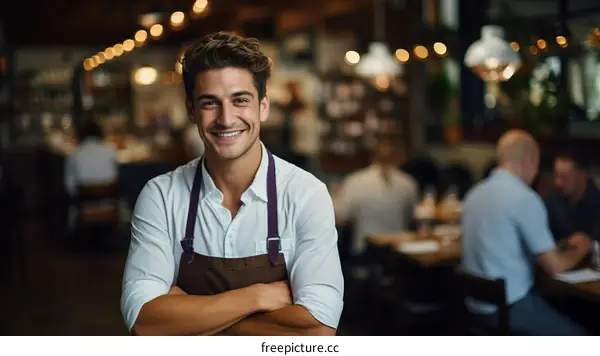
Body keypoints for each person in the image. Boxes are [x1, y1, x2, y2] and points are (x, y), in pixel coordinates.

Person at [120, 32, 344, 336]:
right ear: (191, 111)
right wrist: (258, 296)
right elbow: (145, 323)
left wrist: (198, 321)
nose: (226, 119)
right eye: (210, 103)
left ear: (263, 106)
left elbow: (317, 332)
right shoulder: (161, 196)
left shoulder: (306, 195)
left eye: (240, 100)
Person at [461, 130, 592, 335]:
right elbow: (555, 267)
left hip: (474, 307)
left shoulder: (473, 195)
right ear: (530, 160)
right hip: (510, 310)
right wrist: (584, 246)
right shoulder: (524, 198)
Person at [333, 141, 418, 266]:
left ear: (372, 157)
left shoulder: (355, 181)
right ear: (398, 158)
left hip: (366, 254)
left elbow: (341, 218)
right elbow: (411, 217)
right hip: (400, 253)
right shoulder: (408, 183)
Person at [545, 152, 600, 242]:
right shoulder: (553, 200)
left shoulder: (597, 204)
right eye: (556, 176)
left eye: (564, 177)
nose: (558, 183)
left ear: (582, 175)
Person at [64, 119, 118, 198]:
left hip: (83, 206)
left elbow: (69, 187)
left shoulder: (74, 155)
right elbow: (116, 177)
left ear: (80, 135)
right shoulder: (110, 151)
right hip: (109, 204)